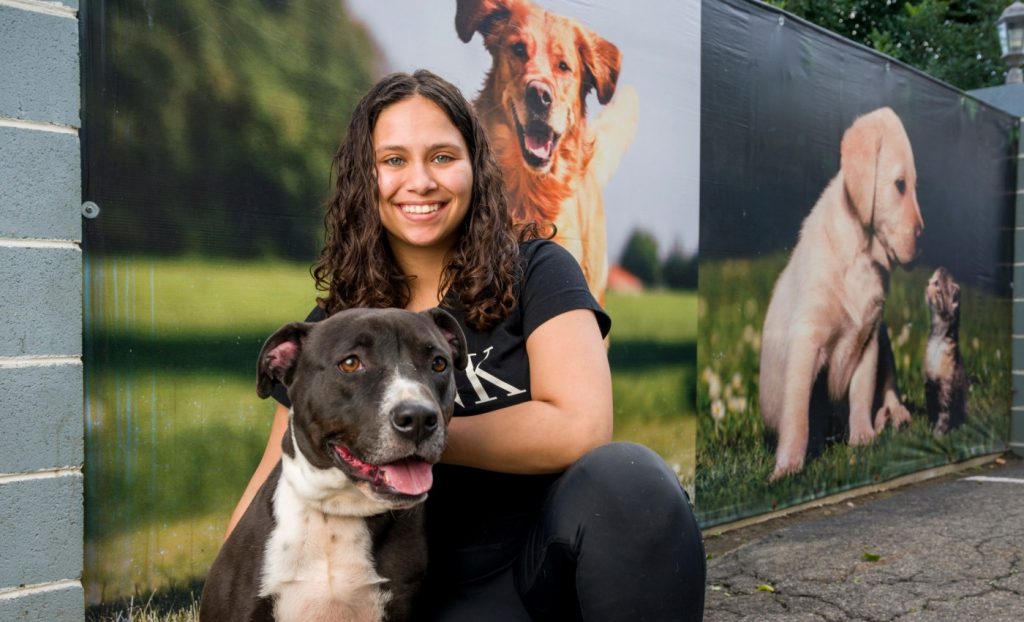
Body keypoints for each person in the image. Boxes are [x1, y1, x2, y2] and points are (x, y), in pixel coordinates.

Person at [227, 69, 705, 621]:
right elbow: (276, 470)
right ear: (366, 177)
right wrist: (226, 585)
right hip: (409, 591)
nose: (421, 181)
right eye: (394, 160)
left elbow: (582, 423)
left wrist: (409, 428)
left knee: (630, 479)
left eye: (443, 157)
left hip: (535, 571)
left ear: (477, 167)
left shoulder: (537, 271)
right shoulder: (337, 329)